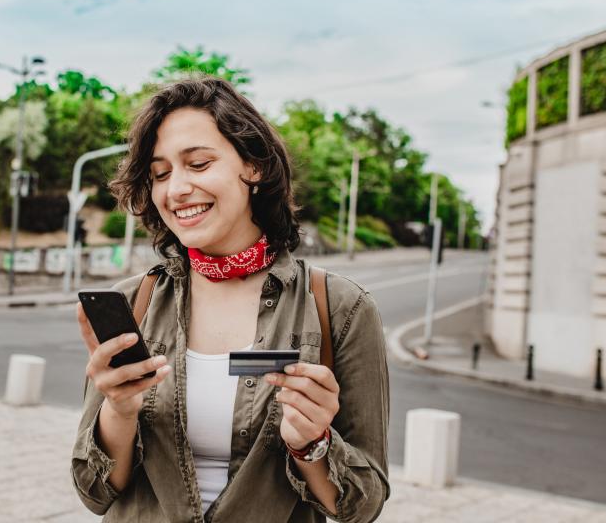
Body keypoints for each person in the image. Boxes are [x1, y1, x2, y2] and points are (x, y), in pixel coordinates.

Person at [71, 78, 389, 522]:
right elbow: (94, 493)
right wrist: (119, 410)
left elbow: (362, 504)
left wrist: (313, 443)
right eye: (160, 174)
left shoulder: (341, 307)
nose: (176, 188)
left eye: (198, 164)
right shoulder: (134, 303)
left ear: (253, 167)